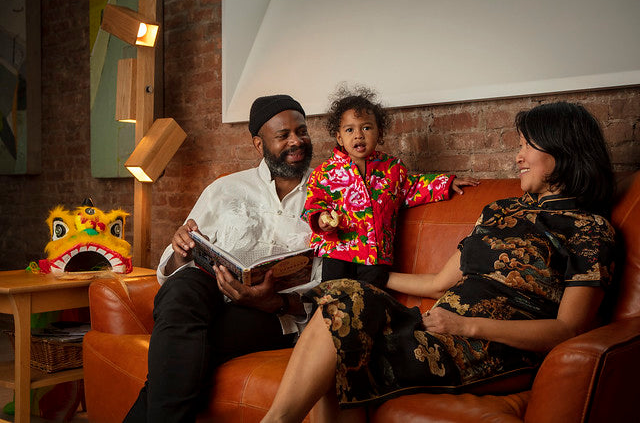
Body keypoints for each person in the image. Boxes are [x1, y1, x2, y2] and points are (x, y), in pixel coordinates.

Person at [261, 101, 616, 423]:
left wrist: (466, 326)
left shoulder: (589, 229)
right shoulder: (498, 211)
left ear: (563, 150)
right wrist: (367, 277)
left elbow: (570, 329)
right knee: (343, 297)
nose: (518, 157)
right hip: (436, 327)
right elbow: (437, 284)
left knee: (345, 344)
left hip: (488, 345)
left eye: (526, 146)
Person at [124, 94, 322, 422]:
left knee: (177, 355)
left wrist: (273, 302)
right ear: (259, 144)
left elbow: (333, 285)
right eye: (283, 135)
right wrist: (179, 250)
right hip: (210, 298)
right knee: (181, 287)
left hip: (274, 317)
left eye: (301, 131)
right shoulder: (225, 189)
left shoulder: (329, 193)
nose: (296, 141)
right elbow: (169, 272)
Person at [303, 86, 478, 287]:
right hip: (337, 250)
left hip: (375, 253)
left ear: (380, 132)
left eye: (366, 128)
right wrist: (320, 219)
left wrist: (446, 183)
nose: (358, 135)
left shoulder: (392, 168)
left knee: (371, 297)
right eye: (350, 130)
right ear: (339, 137)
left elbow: (412, 188)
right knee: (334, 297)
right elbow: (313, 203)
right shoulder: (324, 172)